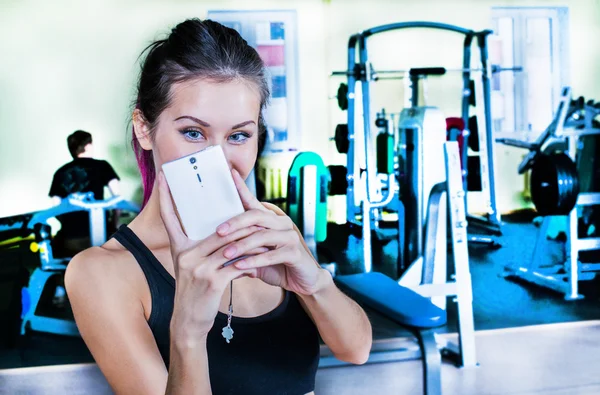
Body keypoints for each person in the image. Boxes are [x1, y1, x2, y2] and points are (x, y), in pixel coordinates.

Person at [65, 18, 372, 395]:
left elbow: (356, 350)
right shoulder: (101, 273)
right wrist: (188, 332)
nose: (217, 159)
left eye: (239, 135)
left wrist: (315, 283)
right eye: (193, 133)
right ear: (145, 129)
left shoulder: (271, 225)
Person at [49, 130, 121, 256]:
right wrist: (114, 224)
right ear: (88, 146)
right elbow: (118, 199)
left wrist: (68, 225)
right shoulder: (102, 166)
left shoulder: (60, 172)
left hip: (71, 239)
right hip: (100, 234)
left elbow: (56, 206)